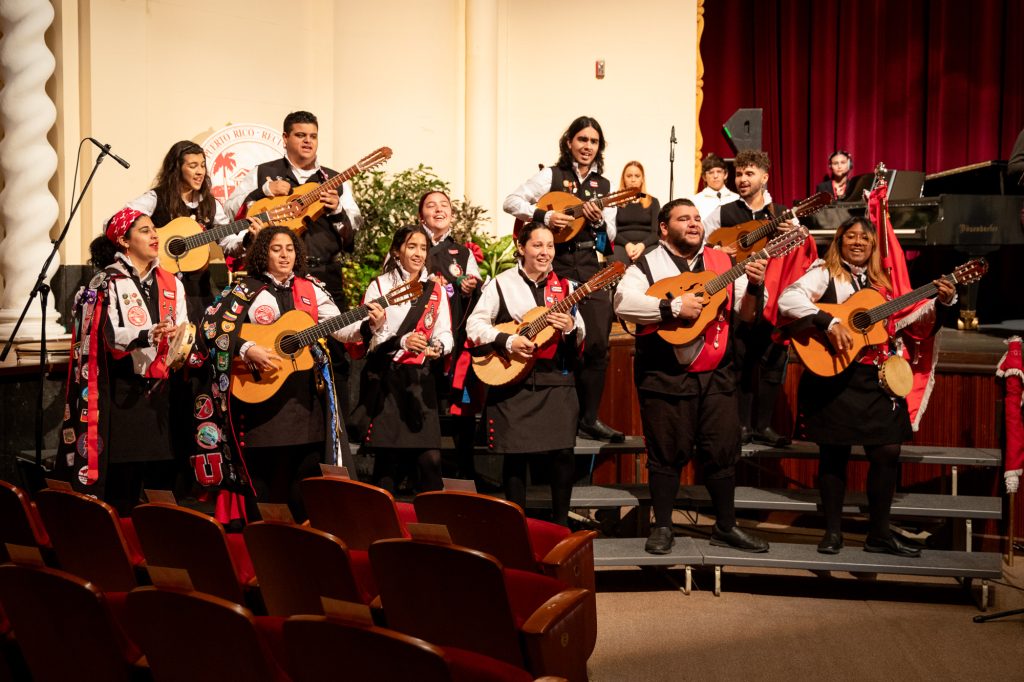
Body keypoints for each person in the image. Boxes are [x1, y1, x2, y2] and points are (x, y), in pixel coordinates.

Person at [778, 217, 955, 556]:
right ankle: (832, 532)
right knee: (833, 454)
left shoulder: (885, 284)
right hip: (833, 373)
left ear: (874, 246)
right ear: (840, 241)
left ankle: (879, 533)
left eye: (865, 238)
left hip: (874, 378)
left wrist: (942, 302)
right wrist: (828, 322)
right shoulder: (823, 273)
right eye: (851, 237)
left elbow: (912, 321)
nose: (858, 242)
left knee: (888, 451)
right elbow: (788, 299)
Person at [614, 198, 770, 554]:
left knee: (721, 449)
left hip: (718, 374)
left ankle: (726, 526)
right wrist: (671, 307)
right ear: (664, 228)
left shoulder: (724, 262)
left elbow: (745, 315)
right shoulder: (647, 265)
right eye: (684, 218)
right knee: (667, 451)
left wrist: (757, 286)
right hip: (664, 375)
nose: (694, 223)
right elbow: (623, 302)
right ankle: (664, 526)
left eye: (697, 218)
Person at [204, 225, 348, 521]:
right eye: (276, 249)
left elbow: (341, 328)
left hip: (306, 402)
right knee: (266, 483)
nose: (285, 255)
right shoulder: (245, 289)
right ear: (262, 253)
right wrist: (246, 349)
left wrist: (368, 323)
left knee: (304, 478)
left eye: (290, 249)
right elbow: (212, 326)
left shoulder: (312, 288)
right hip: (262, 403)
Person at [56, 207, 186, 513]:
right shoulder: (107, 281)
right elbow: (108, 333)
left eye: (154, 229)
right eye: (144, 230)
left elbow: (182, 325)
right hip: (120, 389)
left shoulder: (171, 281)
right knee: (123, 481)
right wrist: (146, 334)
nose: (154, 235)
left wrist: (180, 339)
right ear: (124, 241)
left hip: (162, 391)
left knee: (160, 482)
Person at [503, 115, 622, 442]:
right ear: (569, 142)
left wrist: (598, 222)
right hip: (554, 263)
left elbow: (610, 233)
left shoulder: (605, 186)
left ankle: (589, 418)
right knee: (556, 338)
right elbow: (511, 202)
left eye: (594, 142)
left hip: (588, 262)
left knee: (598, 340)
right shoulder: (551, 176)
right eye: (582, 140)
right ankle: (555, 415)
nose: (587, 147)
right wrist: (544, 215)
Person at [466, 223, 585, 526]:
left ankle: (560, 525)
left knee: (562, 455)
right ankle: (517, 525)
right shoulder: (500, 284)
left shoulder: (566, 288)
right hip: (512, 381)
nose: (545, 252)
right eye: (538, 245)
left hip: (556, 381)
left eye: (550, 246)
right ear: (521, 247)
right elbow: (475, 325)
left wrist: (570, 328)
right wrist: (507, 340)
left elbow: (582, 332)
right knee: (515, 457)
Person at [703, 149, 807, 447]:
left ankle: (763, 425)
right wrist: (719, 253)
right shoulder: (724, 212)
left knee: (772, 360)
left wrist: (796, 231)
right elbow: (703, 243)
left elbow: (802, 249)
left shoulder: (782, 214)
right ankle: (742, 424)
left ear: (765, 177)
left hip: (775, 296)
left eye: (749, 173)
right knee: (741, 358)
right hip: (737, 293)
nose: (742, 179)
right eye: (739, 174)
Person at [346, 225, 451, 494]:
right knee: (387, 464)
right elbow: (370, 333)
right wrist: (403, 341)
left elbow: (445, 332)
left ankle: (432, 531)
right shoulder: (378, 286)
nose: (418, 254)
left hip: (420, 381)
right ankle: (384, 529)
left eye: (423, 248)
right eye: (411, 246)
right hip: (386, 378)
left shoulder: (435, 290)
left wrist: (438, 346)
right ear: (396, 251)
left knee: (431, 460)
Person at [421, 190, 481, 479]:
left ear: (452, 215)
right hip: (420, 336)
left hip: (456, 337)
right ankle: (422, 472)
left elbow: (477, 288)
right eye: (431, 206)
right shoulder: (412, 244)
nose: (438, 209)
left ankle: (466, 472)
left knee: (461, 407)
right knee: (424, 402)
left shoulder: (464, 252)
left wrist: (471, 286)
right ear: (421, 215)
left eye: (444, 205)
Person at [609, 161, 661, 265]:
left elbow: (656, 233)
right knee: (616, 263)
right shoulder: (615, 202)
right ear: (624, 178)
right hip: (621, 244)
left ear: (642, 179)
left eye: (637, 176)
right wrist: (627, 245)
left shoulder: (652, 201)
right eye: (629, 176)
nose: (633, 179)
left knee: (652, 261)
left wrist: (642, 245)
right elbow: (611, 231)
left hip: (647, 245)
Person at [691, 153, 739, 220]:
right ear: (704, 177)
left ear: (725, 175)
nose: (715, 176)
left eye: (719, 172)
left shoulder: (736, 199)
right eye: (711, 172)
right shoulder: (695, 201)